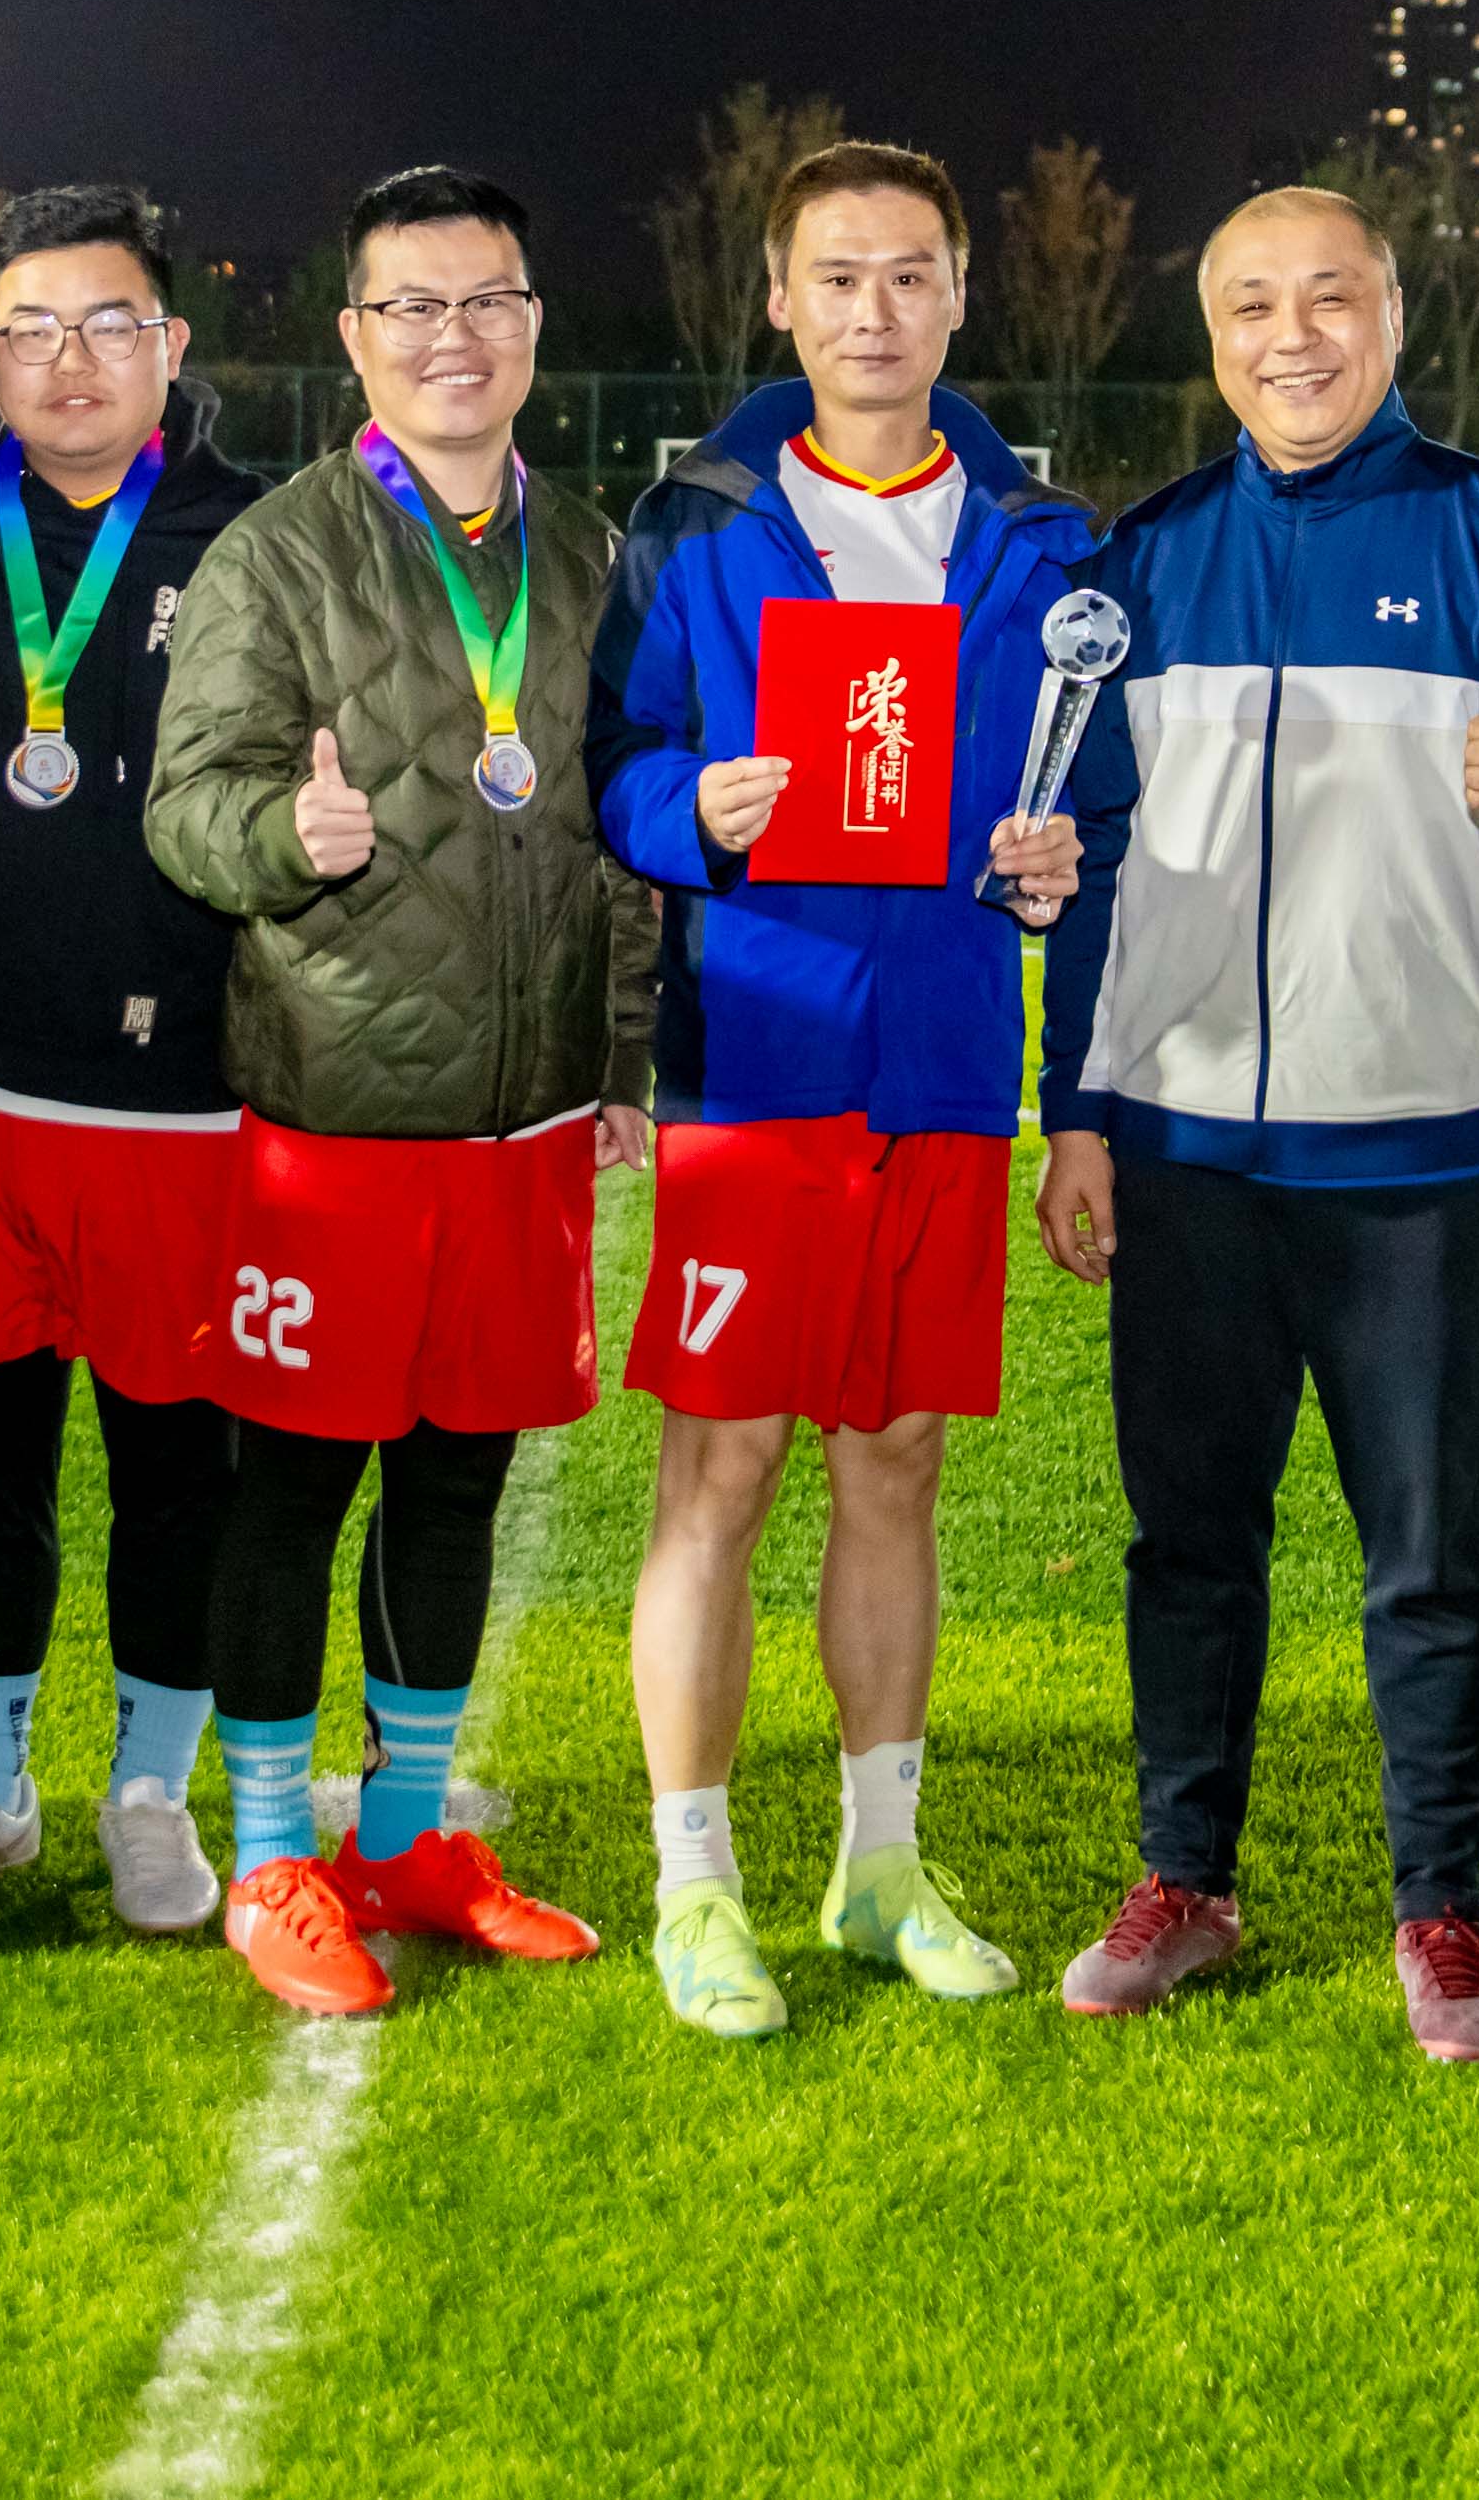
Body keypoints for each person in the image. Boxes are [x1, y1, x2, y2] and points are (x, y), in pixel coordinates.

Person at [1032, 186, 1479, 2067]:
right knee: (1187, 1542)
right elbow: (1091, 853)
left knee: (1430, 1555)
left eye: (1328, 298)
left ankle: (1440, 1907)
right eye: (1250, 304)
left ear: (1392, 314)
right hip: (1185, 1149)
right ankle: (1184, 1876)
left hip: (1413, 1154)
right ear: (1209, 331)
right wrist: (1077, 1113)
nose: (1290, 336)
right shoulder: (1143, 559)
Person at [586, 139, 1093, 2040]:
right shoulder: (698, 522)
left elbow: (1091, 796)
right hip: (758, 1061)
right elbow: (614, 758)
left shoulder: (1042, 537)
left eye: (909, 275)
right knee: (721, 1468)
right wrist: (690, 812)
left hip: (947, 1064)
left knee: (898, 1459)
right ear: (779, 298)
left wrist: (1056, 864)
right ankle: (695, 1883)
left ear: (959, 294)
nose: (874, 311)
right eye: (838, 276)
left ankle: (882, 1865)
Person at [141, 163, 650, 2020]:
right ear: (355, 337)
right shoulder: (276, 553)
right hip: (337, 1115)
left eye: (485, 300)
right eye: (412, 306)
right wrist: (288, 831)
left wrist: (621, 1056)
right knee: (291, 1487)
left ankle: (414, 1833)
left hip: (525, 1125)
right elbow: (185, 808)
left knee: (458, 1480)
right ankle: (276, 1849)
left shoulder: (591, 553)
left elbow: (625, 832)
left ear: (533, 325)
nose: (454, 335)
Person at [0, 180, 268, 1940]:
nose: (70, 359)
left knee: (178, 1469)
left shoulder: (256, 530)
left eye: (110, 324)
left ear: (172, 343)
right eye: (33, 327)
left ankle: (150, 1794)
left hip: (184, 1105)